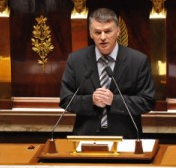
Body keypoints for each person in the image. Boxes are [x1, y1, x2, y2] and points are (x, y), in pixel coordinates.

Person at [60, 8, 156, 139]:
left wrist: (114, 100)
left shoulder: (138, 61)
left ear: (118, 31)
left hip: (126, 137)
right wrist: (91, 100)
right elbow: (66, 99)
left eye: (108, 31)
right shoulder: (76, 60)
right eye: (98, 32)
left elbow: (147, 101)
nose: (103, 37)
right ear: (91, 34)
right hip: (86, 137)